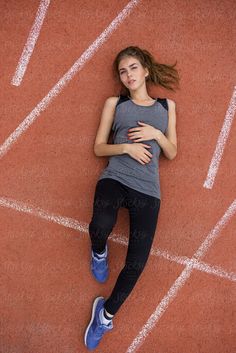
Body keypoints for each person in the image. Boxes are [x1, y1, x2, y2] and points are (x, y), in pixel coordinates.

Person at [84, 45, 180, 350]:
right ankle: (99, 252)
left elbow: (172, 152)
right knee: (99, 226)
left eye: (133, 68)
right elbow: (99, 147)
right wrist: (125, 147)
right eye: (123, 71)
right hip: (116, 177)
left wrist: (157, 134)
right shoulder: (115, 103)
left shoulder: (167, 107)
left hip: (148, 189)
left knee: (137, 264)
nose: (128, 75)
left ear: (146, 70)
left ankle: (105, 315)